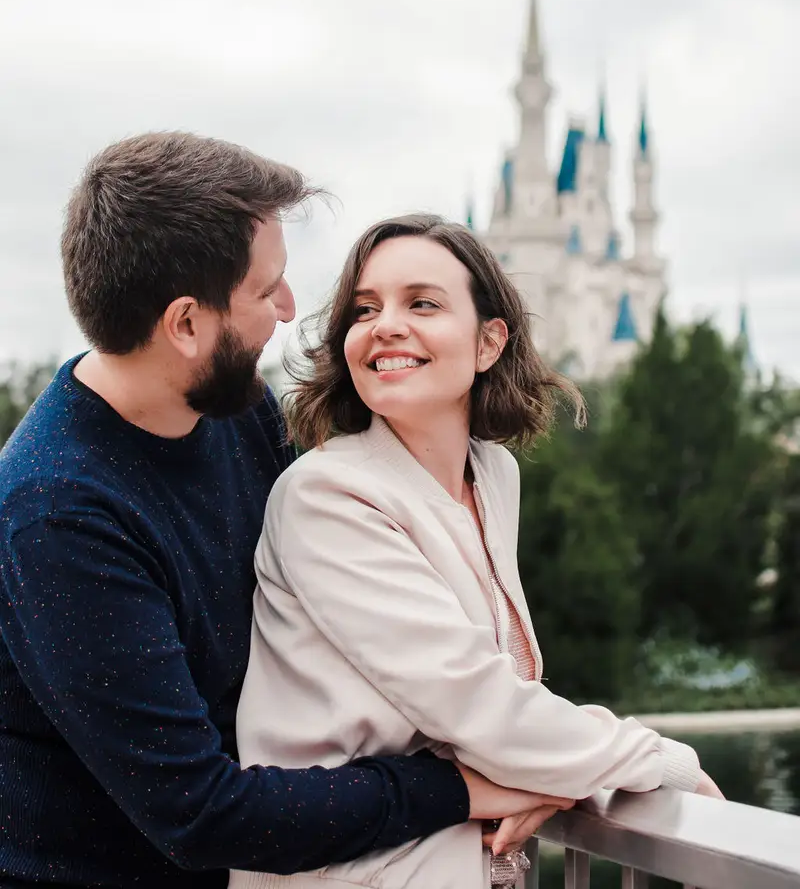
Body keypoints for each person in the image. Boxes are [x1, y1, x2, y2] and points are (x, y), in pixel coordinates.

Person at [0, 134, 560, 889]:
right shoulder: (59, 514)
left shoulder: (233, 409)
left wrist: (520, 740)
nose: (292, 309)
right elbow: (202, 812)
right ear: (186, 325)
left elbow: (332, 626)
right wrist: (465, 789)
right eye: (268, 291)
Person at [233, 213, 724, 889]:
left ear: (490, 340)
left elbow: (497, 703)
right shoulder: (325, 496)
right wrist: (662, 763)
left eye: (423, 303)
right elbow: (477, 707)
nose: (386, 325)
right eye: (366, 308)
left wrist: (549, 766)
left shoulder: (494, 475)